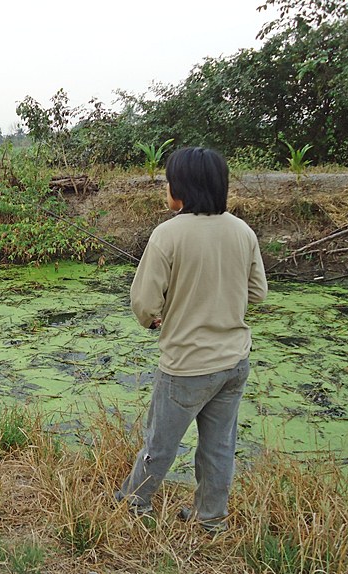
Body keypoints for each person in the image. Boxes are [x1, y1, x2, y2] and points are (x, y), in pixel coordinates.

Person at [115, 146, 268, 533]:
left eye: (167, 182)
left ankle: (134, 503)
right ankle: (211, 518)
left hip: (185, 367)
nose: (165, 189)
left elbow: (145, 302)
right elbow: (257, 293)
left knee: (160, 443)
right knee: (218, 447)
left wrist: (154, 320)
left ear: (180, 189)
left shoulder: (167, 235)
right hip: (234, 363)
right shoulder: (242, 231)